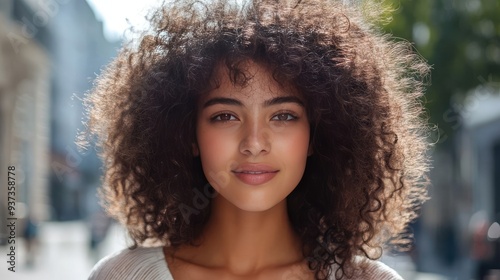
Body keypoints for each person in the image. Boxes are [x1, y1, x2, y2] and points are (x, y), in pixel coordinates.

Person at [83, 0, 430, 279]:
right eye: (225, 116)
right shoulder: (122, 275)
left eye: (283, 116)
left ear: (316, 136)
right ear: (188, 134)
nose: (254, 142)